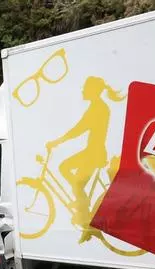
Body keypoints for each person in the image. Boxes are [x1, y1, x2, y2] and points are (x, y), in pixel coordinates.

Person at [46, 76, 124, 241]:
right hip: (92, 151)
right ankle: (83, 209)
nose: (82, 90)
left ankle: (84, 212)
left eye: (85, 88)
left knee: (70, 174)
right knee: (71, 176)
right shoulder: (97, 107)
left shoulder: (98, 108)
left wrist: (56, 142)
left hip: (94, 153)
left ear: (92, 90)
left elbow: (78, 129)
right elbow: (80, 129)